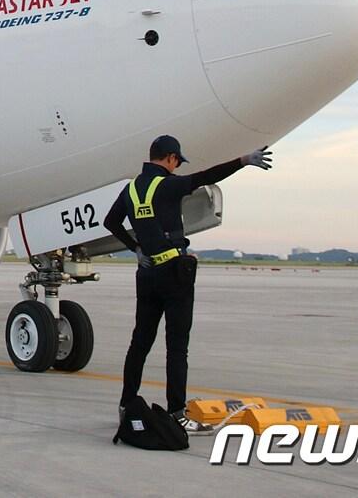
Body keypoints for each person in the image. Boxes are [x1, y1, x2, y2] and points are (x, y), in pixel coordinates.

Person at [103, 135, 273, 433]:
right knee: (176, 347)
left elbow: (110, 222)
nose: (177, 166)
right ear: (169, 158)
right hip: (174, 271)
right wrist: (243, 161)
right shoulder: (168, 185)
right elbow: (206, 177)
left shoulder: (130, 190)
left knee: (140, 342)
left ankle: (127, 405)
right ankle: (177, 413)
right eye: (177, 161)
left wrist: (136, 248)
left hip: (146, 273)